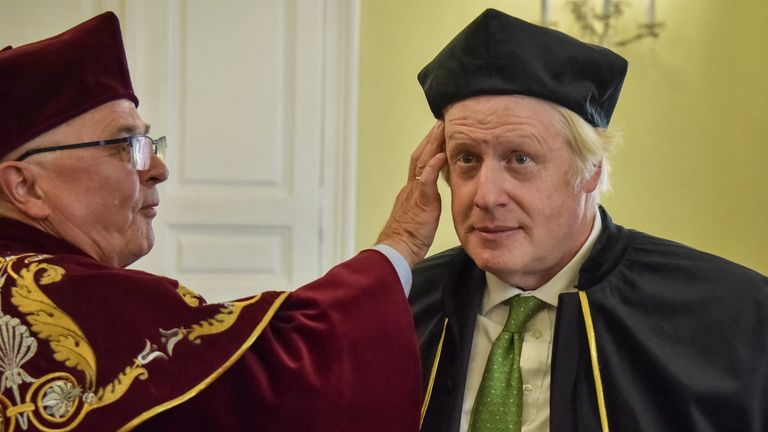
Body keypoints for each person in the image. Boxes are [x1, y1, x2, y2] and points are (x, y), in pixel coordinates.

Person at [0, 12, 447, 432]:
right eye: (125, 145)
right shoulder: (64, 296)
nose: (158, 168)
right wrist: (401, 241)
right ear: (26, 187)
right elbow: (281, 377)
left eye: (149, 142)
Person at [409, 8, 768, 432]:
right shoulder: (403, 306)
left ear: (590, 170)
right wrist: (397, 247)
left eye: (520, 158)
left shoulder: (735, 316)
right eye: (466, 158)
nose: (485, 196)